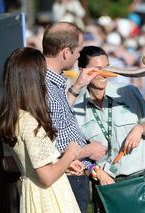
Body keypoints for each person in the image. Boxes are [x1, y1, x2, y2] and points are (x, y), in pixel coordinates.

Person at [73, 46, 145, 213]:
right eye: (97, 69)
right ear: (82, 70)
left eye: (106, 67)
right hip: (107, 186)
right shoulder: (75, 107)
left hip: (140, 181)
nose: (104, 73)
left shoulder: (127, 92)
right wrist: (95, 171)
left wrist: (140, 129)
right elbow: (76, 154)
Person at [0, 47, 82, 213]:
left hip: (32, 195)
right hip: (48, 198)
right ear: (34, 80)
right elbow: (47, 177)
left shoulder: (12, 117)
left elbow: (11, 164)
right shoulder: (30, 121)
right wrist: (70, 154)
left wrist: (60, 163)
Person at [42, 22, 107, 212]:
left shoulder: (51, 80)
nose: (79, 55)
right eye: (78, 51)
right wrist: (85, 152)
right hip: (67, 177)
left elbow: (59, 116)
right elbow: (44, 142)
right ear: (65, 52)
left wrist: (77, 86)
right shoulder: (43, 85)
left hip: (73, 175)